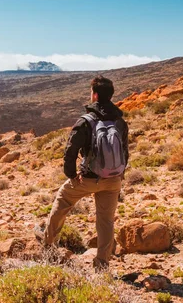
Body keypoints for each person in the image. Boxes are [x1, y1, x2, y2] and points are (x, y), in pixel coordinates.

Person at [40, 76, 129, 270]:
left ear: (95, 95)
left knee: (63, 200)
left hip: (88, 178)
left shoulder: (86, 121)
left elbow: (70, 152)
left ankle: (48, 246)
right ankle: (102, 264)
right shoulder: (120, 121)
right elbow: (125, 151)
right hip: (113, 179)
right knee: (105, 221)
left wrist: (72, 175)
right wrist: (119, 175)